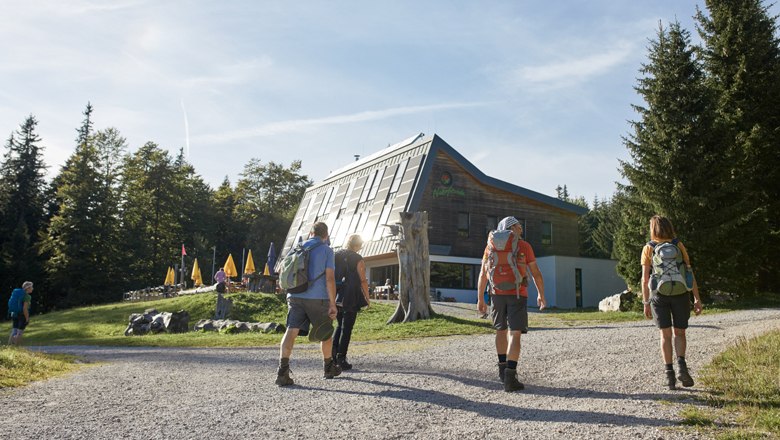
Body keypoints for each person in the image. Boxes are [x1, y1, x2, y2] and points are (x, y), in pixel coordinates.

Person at [477, 216, 547, 392]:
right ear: (512, 228)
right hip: (518, 293)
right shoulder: (524, 246)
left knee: (500, 330)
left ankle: (502, 370)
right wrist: (541, 294)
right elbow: (536, 273)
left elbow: (483, 274)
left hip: (496, 294)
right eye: (518, 226)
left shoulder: (490, 246)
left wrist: (480, 299)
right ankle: (510, 376)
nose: (521, 229)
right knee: (515, 333)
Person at [275, 222, 341, 386]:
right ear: (326, 235)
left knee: (291, 330)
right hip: (318, 298)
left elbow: (283, 271)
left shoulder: (296, 247)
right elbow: (330, 279)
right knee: (325, 332)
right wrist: (333, 303)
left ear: (311, 233)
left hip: (295, 295)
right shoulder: (327, 250)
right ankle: (328, 368)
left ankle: (282, 371)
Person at [641, 215, 703, 390]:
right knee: (680, 333)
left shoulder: (649, 248)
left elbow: (645, 278)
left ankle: (670, 377)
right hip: (681, 293)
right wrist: (697, 298)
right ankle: (682, 366)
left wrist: (646, 302)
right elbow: (689, 273)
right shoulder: (678, 245)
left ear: (653, 229)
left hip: (659, 295)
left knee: (665, 335)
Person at [332, 234, 371, 370]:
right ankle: (342, 359)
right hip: (350, 296)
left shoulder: (336, 255)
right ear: (358, 245)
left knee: (339, 325)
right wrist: (367, 298)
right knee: (346, 328)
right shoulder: (357, 258)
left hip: (335, 294)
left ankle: (332, 357)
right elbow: (363, 280)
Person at [8, 281, 33, 346]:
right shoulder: (27, 296)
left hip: (14, 314)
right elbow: (25, 309)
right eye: (31, 287)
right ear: (28, 288)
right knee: (19, 332)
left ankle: (9, 346)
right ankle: (16, 347)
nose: (32, 288)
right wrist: (27, 318)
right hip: (21, 315)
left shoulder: (18, 294)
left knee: (14, 330)